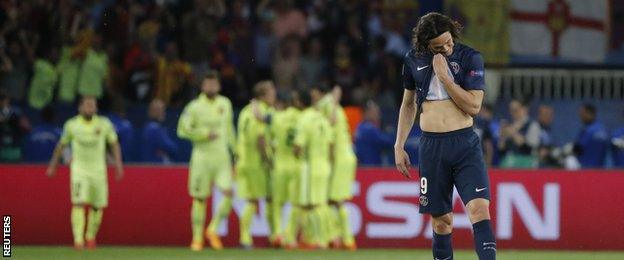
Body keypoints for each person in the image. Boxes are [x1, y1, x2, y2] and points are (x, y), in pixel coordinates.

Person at [393, 13, 495, 260]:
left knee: (479, 210)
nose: (447, 48)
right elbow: (408, 104)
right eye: (439, 47)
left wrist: (446, 79)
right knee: (441, 222)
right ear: (426, 44)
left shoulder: (470, 57)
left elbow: (473, 106)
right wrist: (399, 144)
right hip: (432, 147)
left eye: (449, 42)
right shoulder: (412, 60)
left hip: (464, 144)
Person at [45, 96, 123, 250]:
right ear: (80, 108)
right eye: (87, 105)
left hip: (99, 171)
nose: (90, 108)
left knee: (97, 206)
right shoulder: (72, 125)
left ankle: (90, 237)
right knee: (78, 202)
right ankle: (78, 240)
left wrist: (118, 165)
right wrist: (53, 165)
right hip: (79, 169)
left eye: (92, 105)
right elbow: (61, 145)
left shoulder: (104, 124)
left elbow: (114, 144)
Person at [177, 71, 236, 251]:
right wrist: (203, 134)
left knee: (228, 194)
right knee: (200, 199)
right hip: (201, 158)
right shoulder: (193, 107)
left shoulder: (225, 104)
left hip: (222, 158)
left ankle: (212, 229)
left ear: (219, 86)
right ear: (202, 86)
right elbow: (182, 130)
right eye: (208, 84)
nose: (211, 87)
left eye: (214, 84)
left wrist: (237, 152)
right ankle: (197, 239)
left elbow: (229, 130)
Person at [312, 85, 358, 250]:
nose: (313, 99)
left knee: (333, 200)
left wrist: (329, 161)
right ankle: (338, 237)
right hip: (346, 155)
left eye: (314, 95)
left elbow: (330, 130)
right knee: (333, 200)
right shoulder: (334, 105)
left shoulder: (326, 105)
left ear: (320, 93)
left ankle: (345, 239)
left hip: (338, 157)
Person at [235, 80, 276, 249]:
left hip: (244, 161)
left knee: (258, 199)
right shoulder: (262, 111)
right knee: (262, 200)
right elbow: (260, 140)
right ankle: (249, 239)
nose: (274, 95)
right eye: (271, 92)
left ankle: (268, 237)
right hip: (257, 163)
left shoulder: (245, 111)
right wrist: (269, 160)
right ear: (263, 95)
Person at [293, 88, 333, 249]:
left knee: (312, 205)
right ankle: (327, 237)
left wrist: (297, 156)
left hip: (311, 167)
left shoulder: (305, 118)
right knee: (321, 204)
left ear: (299, 102)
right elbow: (331, 145)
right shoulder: (322, 118)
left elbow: (297, 147)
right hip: (324, 165)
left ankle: (320, 240)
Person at [266, 91, 301, 247]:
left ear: (280, 104)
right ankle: (290, 237)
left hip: (279, 164)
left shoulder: (277, 118)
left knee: (278, 203)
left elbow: (264, 120)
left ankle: (278, 234)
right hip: (295, 165)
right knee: (294, 203)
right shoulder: (300, 117)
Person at [498, 98, 541, 168]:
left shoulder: (532, 125)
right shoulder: (509, 125)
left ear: (524, 109)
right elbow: (501, 149)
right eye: (511, 110)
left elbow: (529, 148)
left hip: (527, 163)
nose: (513, 113)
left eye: (516, 110)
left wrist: (513, 133)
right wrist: (502, 136)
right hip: (510, 163)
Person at [354, 100, 394, 166]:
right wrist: (391, 132)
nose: (378, 115)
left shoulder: (359, 127)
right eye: (375, 112)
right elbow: (389, 142)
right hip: (371, 168)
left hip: (362, 168)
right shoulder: (369, 129)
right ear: (367, 113)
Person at [140, 99, 179, 163]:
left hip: (152, 164)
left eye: (163, 110)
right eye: (160, 110)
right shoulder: (154, 128)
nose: (163, 113)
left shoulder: (150, 127)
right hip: (155, 165)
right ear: (153, 111)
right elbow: (172, 148)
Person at [574, 104, 609, 168]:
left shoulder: (588, 131)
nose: (581, 117)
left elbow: (578, 149)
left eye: (582, 114)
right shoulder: (604, 129)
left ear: (589, 114)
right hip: (601, 169)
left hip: (586, 169)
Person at [0, 91, 30, 162]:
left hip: (15, 149)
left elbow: (27, 127)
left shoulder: (16, 112)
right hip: (2, 149)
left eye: (4, 100)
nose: (4, 103)